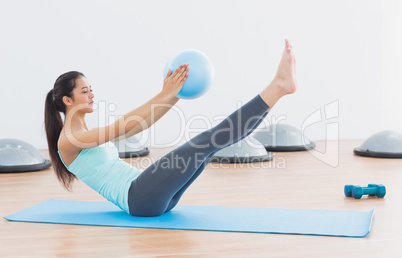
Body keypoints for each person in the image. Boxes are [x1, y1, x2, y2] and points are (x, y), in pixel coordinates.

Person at [44, 39, 297, 217]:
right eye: (84, 91)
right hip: (140, 197)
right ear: (67, 100)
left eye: (91, 89)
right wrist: (163, 92)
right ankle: (277, 87)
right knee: (208, 140)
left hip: (151, 197)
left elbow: (142, 122)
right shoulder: (69, 140)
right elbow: (121, 127)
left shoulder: (85, 135)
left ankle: (278, 88)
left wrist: (175, 94)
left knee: (210, 146)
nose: (91, 95)